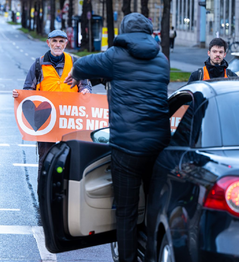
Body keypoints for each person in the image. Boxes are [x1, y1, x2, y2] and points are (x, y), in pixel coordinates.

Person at [65, 13, 170, 262]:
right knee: (155, 207)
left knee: (126, 212)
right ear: (149, 32)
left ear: (123, 30)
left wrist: (78, 76)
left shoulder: (115, 56)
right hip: (159, 146)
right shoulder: (163, 59)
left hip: (127, 148)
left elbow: (82, 65)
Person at [12, 29, 92, 180]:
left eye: (61, 41)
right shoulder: (38, 65)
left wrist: (86, 91)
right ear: (48, 43)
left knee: (71, 158)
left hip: (69, 120)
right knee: (45, 160)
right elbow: (28, 90)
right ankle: (44, 196)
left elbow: (85, 85)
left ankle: (66, 195)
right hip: (46, 121)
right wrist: (20, 96)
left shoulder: (75, 63)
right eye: (54, 41)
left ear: (66, 44)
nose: (57, 44)